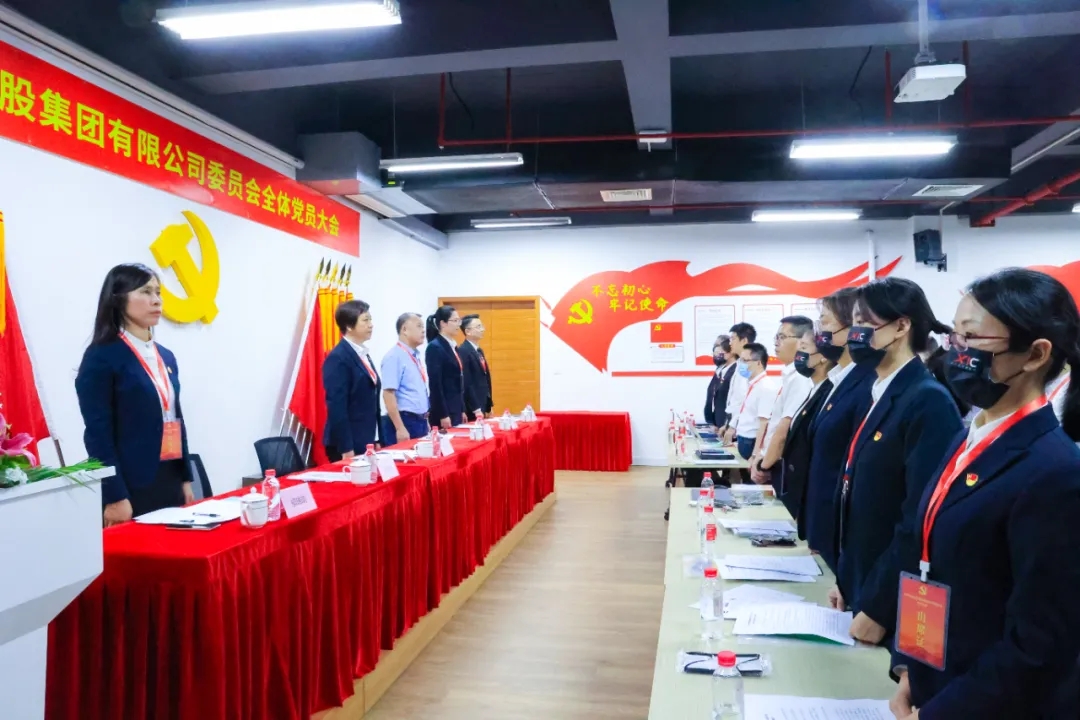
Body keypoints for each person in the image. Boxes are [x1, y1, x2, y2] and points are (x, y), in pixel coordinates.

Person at [889, 268, 1080, 720]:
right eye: (955, 336)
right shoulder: (970, 439)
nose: (957, 351)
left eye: (972, 339)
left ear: (1035, 354)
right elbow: (933, 568)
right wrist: (912, 667)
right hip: (937, 683)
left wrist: (942, 712)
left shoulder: (1054, 472)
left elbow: (1039, 644)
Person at [829, 278, 963, 647]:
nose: (855, 333)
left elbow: (919, 518)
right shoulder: (881, 391)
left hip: (892, 604)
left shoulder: (927, 400)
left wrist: (880, 605)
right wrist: (847, 578)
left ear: (901, 325)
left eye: (864, 322)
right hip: (863, 582)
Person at [75, 263, 194, 526]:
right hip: (130, 485)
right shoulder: (101, 356)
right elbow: (97, 435)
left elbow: (176, 419)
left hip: (170, 476)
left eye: (158, 292)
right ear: (119, 299)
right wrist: (115, 495)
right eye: (145, 292)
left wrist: (185, 478)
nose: (156, 300)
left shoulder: (166, 356)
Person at [805, 288, 877, 571]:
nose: (819, 331)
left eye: (825, 321)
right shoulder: (837, 379)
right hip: (823, 522)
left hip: (841, 529)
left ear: (852, 328)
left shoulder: (866, 383)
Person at [774, 325, 836, 522]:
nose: (799, 355)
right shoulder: (813, 388)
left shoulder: (826, 390)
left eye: (804, 348)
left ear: (823, 356)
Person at [751, 316, 815, 485]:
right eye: (776, 337)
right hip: (772, 460)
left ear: (802, 342)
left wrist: (764, 466)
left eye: (783, 337)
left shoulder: (801, 379)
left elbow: (784, 429)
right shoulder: (789, 375)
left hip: (781, 464)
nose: (776, 342)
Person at [323, 299, 382, 461]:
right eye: (365, 320)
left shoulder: (362, 353)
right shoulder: (339, 357)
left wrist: (377, 438)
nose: (371, 325)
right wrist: (346, 447)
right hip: (348, 444)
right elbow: (337, 406)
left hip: (367, 438)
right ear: (349, 326)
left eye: (370, 319)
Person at [380, 312, 430, 444]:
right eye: (419, 326)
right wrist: (400, 428)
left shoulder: (414, 355)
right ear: (404, 330)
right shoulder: (394, 357)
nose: (423, 330)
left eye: (423, 327)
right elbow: (388, 394)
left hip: (420, 420)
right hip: (406, 420)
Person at [724, 342, 775, 468]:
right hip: (744, 439)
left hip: (752, 443)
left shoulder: (765, 387)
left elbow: (764, 424)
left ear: (758, 363)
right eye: (740, 360)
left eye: (745, 361)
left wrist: (755, 455)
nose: (741, 364)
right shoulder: (751, 383)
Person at [720, 323, 757, 482]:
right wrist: (728, 423)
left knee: (746, 474)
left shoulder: (748, 365)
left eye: (733, 338)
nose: (730, 343)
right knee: (737, 471)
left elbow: (743, 400)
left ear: (744, 340)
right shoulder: (740, 363)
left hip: (743, 427)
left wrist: (732, 426)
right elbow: (734, 399)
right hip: (735, 422)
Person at [426, 305, 467, 429]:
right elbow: (435, 384)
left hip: (456, 408)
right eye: (455, 320)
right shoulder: (435, 347)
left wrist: (462, 409)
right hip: (445, 411)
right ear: (443, 324)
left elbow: (458, 381)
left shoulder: (453, 346)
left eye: (459, 320)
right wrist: (443, 414)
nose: (458, 325)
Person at [458, 314, 493, 418]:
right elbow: (467, 383)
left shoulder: (479, 350)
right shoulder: (463, 351)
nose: (482, 329)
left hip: (483, 404)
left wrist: (489, 404)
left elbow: (485, 379)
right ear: (468, 331)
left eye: (482, 326)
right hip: (473, 408)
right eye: (478, 327)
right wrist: (476, 408)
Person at [703, 337, 737, 428]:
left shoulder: (735, 371)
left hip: (727, 423)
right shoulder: (720, 370)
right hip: (718, 420)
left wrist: (728, 424)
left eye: (720, 350)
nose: (718, 353)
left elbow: (734, 401)